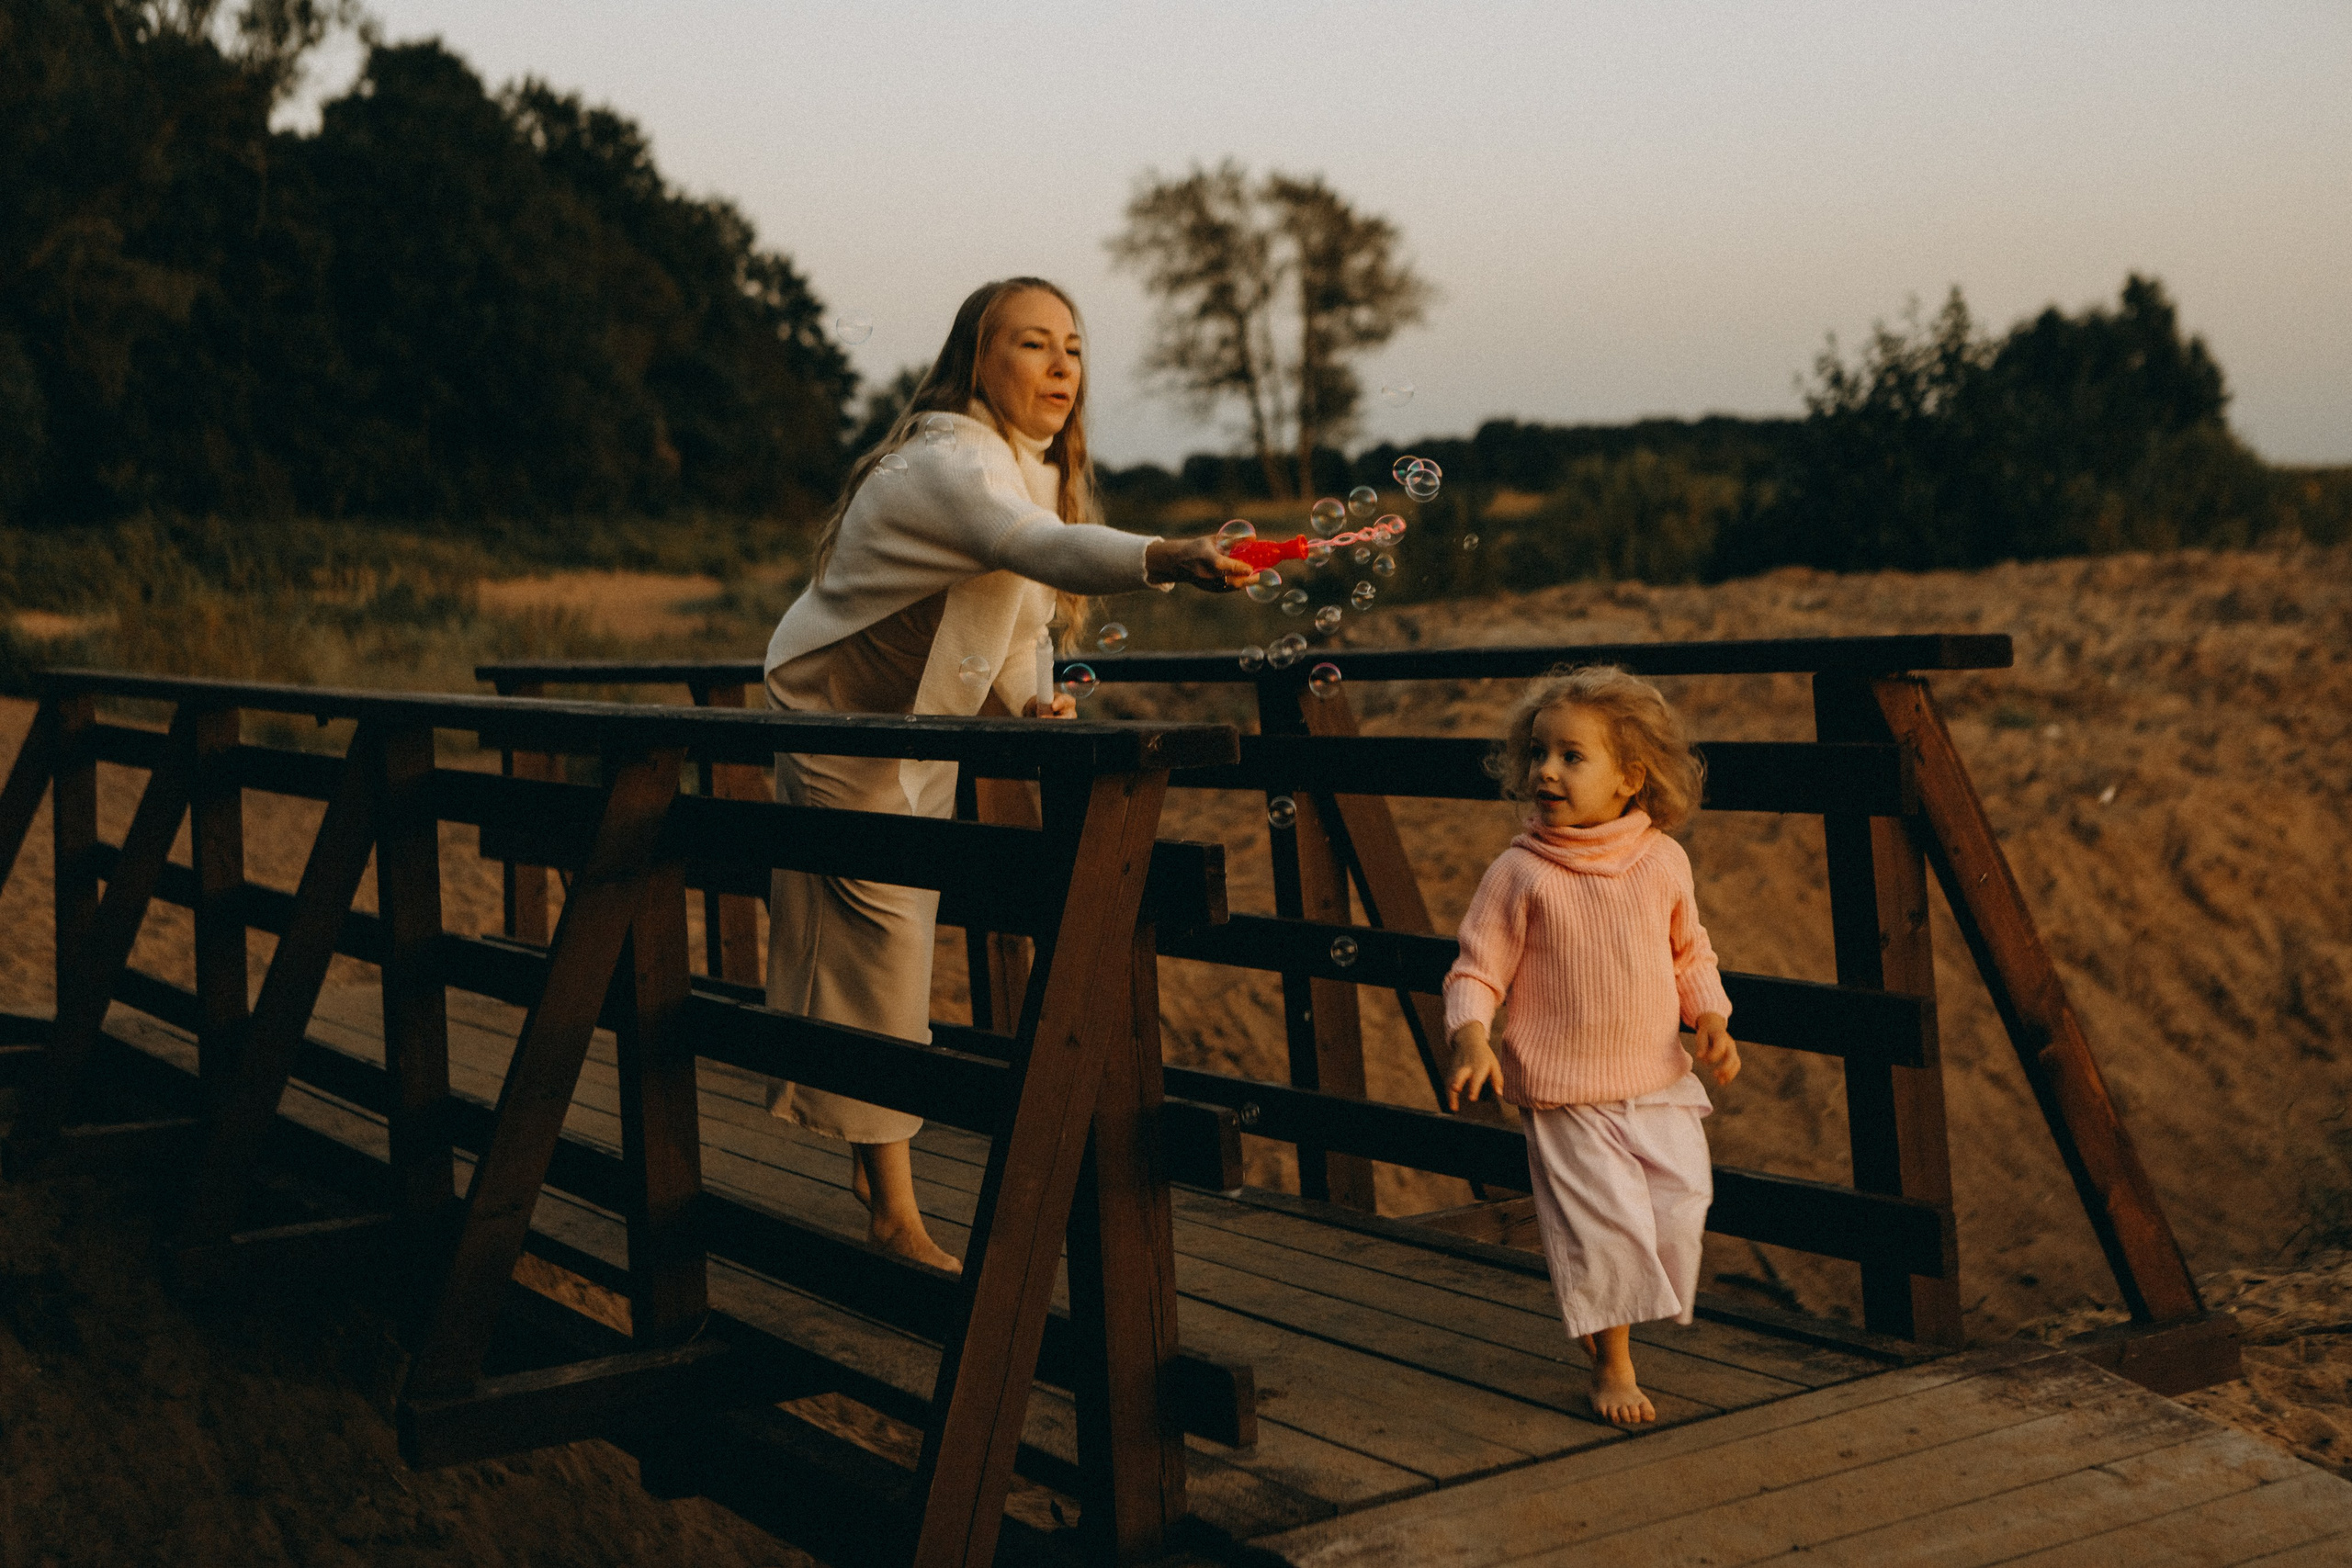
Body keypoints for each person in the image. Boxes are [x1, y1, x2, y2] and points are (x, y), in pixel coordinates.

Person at [760, 276, 1250, 1272]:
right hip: (838, 723)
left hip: (912, 730)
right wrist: (1168, 554)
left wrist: (1030, 701)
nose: (1062, 364)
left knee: (889, 935)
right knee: (882, 943)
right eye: (1033, 344)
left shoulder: (1018, 466)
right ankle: (893, 1210)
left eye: (1072, 345)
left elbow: (1013, 612)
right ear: (976, 363)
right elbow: (1039, 552)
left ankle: (872, 1164)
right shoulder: (949, 459)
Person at [1442, 665, 1742, 1425]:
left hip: (1656, 1076)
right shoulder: (1520, 873)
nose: (1545, 770)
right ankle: (1614, 1360)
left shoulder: (1662, 860)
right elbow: (1478, 968)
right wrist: (1472, 1034)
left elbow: (1690, 953)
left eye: (1572, 756)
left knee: (1681, 1206)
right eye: (1539, 753)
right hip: (1565, 1087)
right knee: (1605, 1230)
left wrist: (1710, 1015)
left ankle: (1606, 1311)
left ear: (1629, 778)